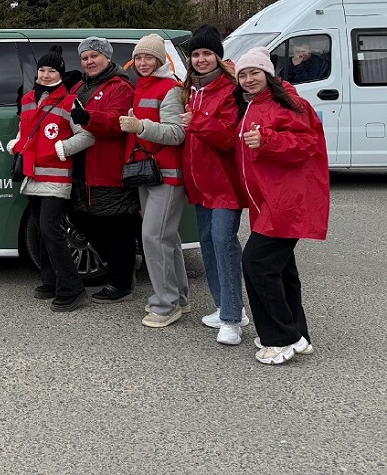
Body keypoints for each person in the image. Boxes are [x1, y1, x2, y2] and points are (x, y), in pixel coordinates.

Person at [234, 46, 330, 365]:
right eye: (243, 75)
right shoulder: (252, 104)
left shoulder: (287, 102)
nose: (248, 79)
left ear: (268, 74)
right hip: (268, 200)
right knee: (281, 268)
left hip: (286, 200)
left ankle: (281, 338)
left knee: (257, 263)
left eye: (254, 73)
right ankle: (297, 334)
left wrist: (268, 142)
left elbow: (306, 144)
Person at [179, 25, 250, 345]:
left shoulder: (230, 89)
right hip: (199, 184)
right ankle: (226, 306)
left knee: (223, 241)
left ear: (218, 56)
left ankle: (233, 320)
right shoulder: (190, 89)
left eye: (207, 53)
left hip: (224, 184)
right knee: (208, 243)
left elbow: (227, 137)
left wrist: (198, 122)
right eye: (195, 54)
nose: (201, 59)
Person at [9, 46, 93, 311]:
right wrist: (17, 143)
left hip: (56, 176)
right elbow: (27, 130)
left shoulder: (69, 101)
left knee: (50, 229)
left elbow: (88, 135)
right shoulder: (28, 100)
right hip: (32, 174)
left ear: (60, 73)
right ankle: (50, 280)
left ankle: (72, 288)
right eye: (42, 70)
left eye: (52, 71)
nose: (45, 75)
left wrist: (62, 148)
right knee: (42, 230)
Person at [119, 34, 188, 328]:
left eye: (149, 57)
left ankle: (165, 305)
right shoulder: (142, 86)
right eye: (140, 57)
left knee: (153, 237)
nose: (143, 63)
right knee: (167, 237)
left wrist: (140, 126)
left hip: (167, 175)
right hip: (149, 172)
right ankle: (179, 298)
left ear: (160, 60)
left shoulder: (170, 88)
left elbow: (176, 133)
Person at [67, 37, 141, 303]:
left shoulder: (119, 86)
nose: (89, 62)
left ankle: (122, 283)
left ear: (107, 58)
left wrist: (89, 118)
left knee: (117, 226)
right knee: (86, 220)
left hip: (109, 169)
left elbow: (118, 121)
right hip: (84, 170)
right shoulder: (80, 86)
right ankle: (125, 268)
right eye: (85, 58)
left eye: (94, 56)